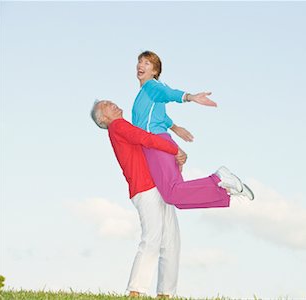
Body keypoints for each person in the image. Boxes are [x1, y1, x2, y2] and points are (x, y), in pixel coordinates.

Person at [90, 100, 250, 298]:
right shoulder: (117, 126)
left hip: (155, 186)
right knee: (152, 238)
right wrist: (175, 150)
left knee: (171, 241)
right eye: (107, 105)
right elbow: (145, 138)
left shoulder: (122, 127)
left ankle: (166, 293)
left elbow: (150, 150)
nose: (112, 103)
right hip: (145, 188)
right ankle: (136, 290)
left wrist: (172, 158)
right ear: (104, 118)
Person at [132, 50, 254, 209]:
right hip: (158, 142)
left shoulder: (152, 86)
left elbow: (169, 93)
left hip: (155, 143)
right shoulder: (146, 93)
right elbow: (159, 115)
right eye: (140, 61)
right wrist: (175, 128)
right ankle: (225, 189)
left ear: (155, 71)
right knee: (178, 199)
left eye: (146, 63)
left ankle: (218, 179)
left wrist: (190, 97)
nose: (141, 65)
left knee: (172, 193)